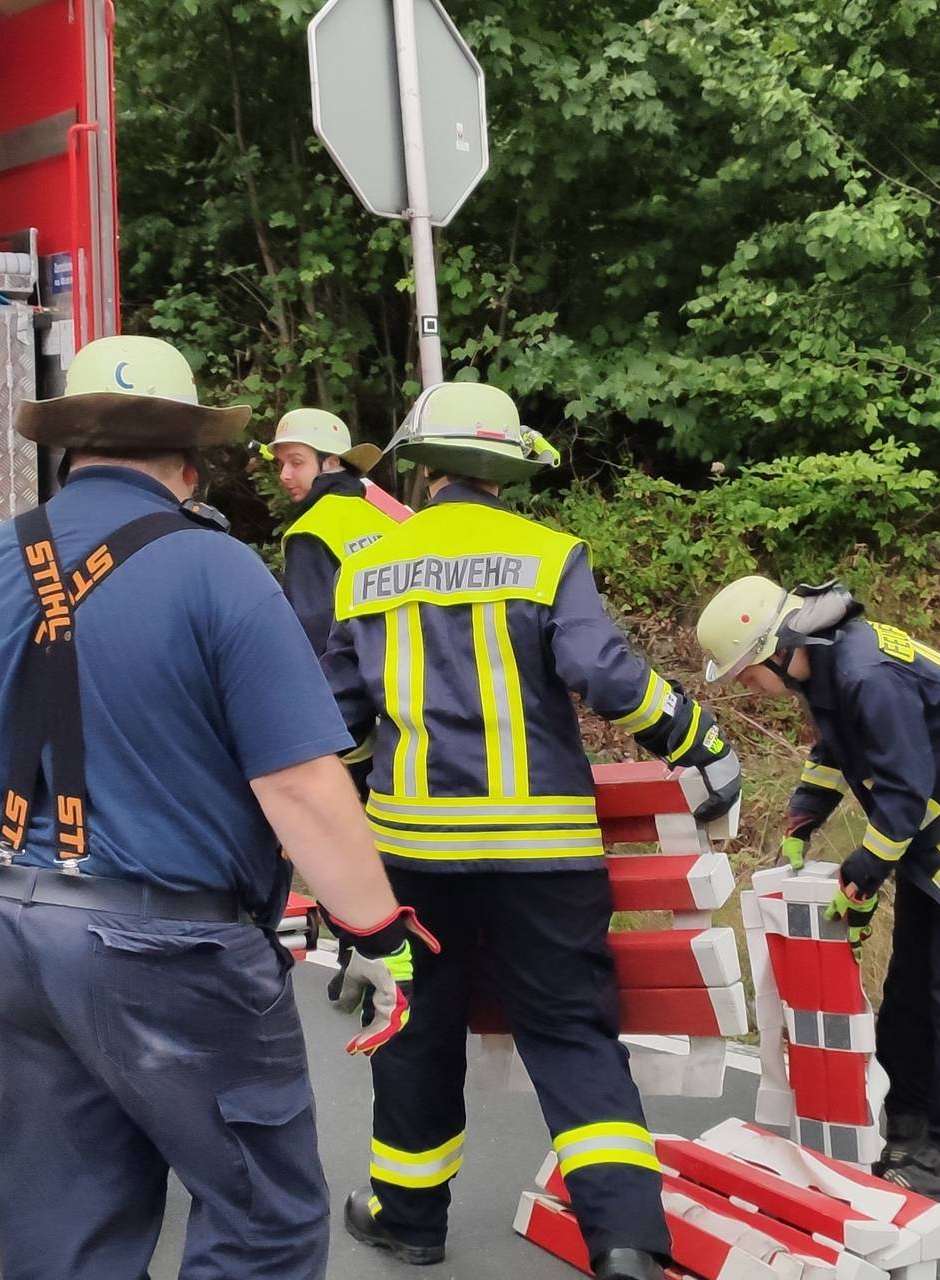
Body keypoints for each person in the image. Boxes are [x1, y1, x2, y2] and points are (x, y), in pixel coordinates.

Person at [0, 334, 429, 1280]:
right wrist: (377, 929)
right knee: (260, 1218)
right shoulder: (218, 569)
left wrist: (25, 887)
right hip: (168, 951)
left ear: (70, 455)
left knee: (67, 1233)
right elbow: (300, 784)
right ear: (187, 467)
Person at [321, 381, 741, 1279]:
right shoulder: (548, 555)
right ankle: (626, 1242)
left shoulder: (366, 570)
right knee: (572, 1038)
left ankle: (408, 1219)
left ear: (425, 469)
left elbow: (336, 719)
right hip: (545, 858)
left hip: (413, 858)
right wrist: (696, 737)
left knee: (414, 1027)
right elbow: (602, 671)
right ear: (506, 471)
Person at [693, 575, 940, 1201]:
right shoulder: (831, 664)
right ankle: (912, 1118)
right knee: (913, 983)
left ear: (778, 648)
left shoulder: (868, 675)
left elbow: (903, 791)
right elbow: (837, 744)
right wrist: (806, 812)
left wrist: (862, 876)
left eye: (745, 674)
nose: (746, 690)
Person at [260, 407, 405, 657]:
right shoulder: (389, 519)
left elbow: (310, 634)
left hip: (349, 683)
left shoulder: (310, 531)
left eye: (296, 462)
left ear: (331, 462)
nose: (284, 475)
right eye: (282, 464)